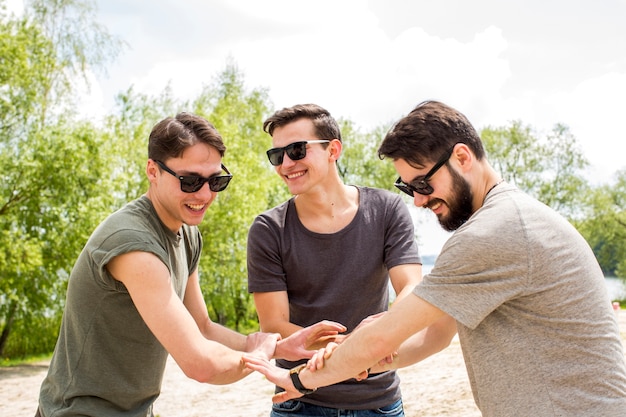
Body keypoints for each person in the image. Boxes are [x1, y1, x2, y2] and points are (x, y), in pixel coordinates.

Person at [244, 101, 626, 416]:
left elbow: (388, 330)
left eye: (423, 184)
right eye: (408, 188)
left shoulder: (495, 232)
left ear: (462, 157)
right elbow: (435, 335)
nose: (419, 200)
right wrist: (364, 361)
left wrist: (299, 380)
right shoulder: (504, 221)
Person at [36, 112, 346, 417]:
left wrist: (277, 347)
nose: (205, 194)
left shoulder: (187, 234)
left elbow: (202, 327)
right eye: (190, 181)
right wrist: (259, 356)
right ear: (152, 171)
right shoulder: (133, 244)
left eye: (216, 181)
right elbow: (200, 364)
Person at [246, 103, 456, 417]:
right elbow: (275, 324)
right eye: (277, 155)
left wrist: (359, 348)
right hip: (302, 402)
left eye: (297, 150)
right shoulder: (268, 229)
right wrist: (352, 349)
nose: (286, 164)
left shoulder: (387, 210)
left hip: (378, 400)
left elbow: (410, 288)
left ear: (334, 150)